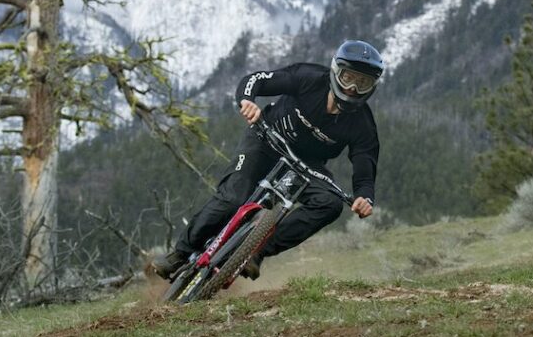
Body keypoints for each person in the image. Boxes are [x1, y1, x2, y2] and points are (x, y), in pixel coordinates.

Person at [150, 39, 384, 281]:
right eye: (348, 78)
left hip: (305, 167)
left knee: (330, 204)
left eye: (363, 82)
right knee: (233, 198)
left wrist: (364, 197)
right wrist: (247, 100)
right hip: (265, 139)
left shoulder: (363, 125)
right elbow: (257, 80)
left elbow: (365, 167)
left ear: (372, 86)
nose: (353, 88)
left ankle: (256, 252)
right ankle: (180, 253)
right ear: (336, 72)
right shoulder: (309, 77)